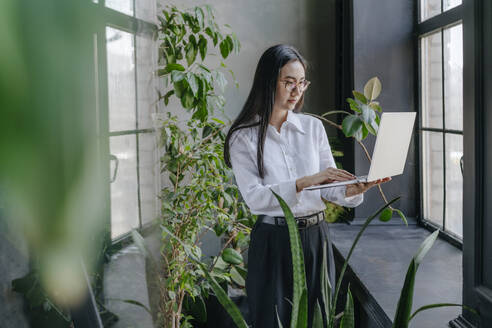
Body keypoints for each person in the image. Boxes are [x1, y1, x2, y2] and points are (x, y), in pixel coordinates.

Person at [223, 44, 389, 328]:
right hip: (273, 242)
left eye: (301, 83)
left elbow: (328, 187)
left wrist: (352, 189)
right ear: (268, 82)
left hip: (316, 238)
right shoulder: (243, 137)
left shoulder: (312, 128)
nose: (297, 91)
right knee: (273, 320)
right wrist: (303, 181)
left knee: (318, 318)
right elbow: (254, 199)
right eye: (288, 82)